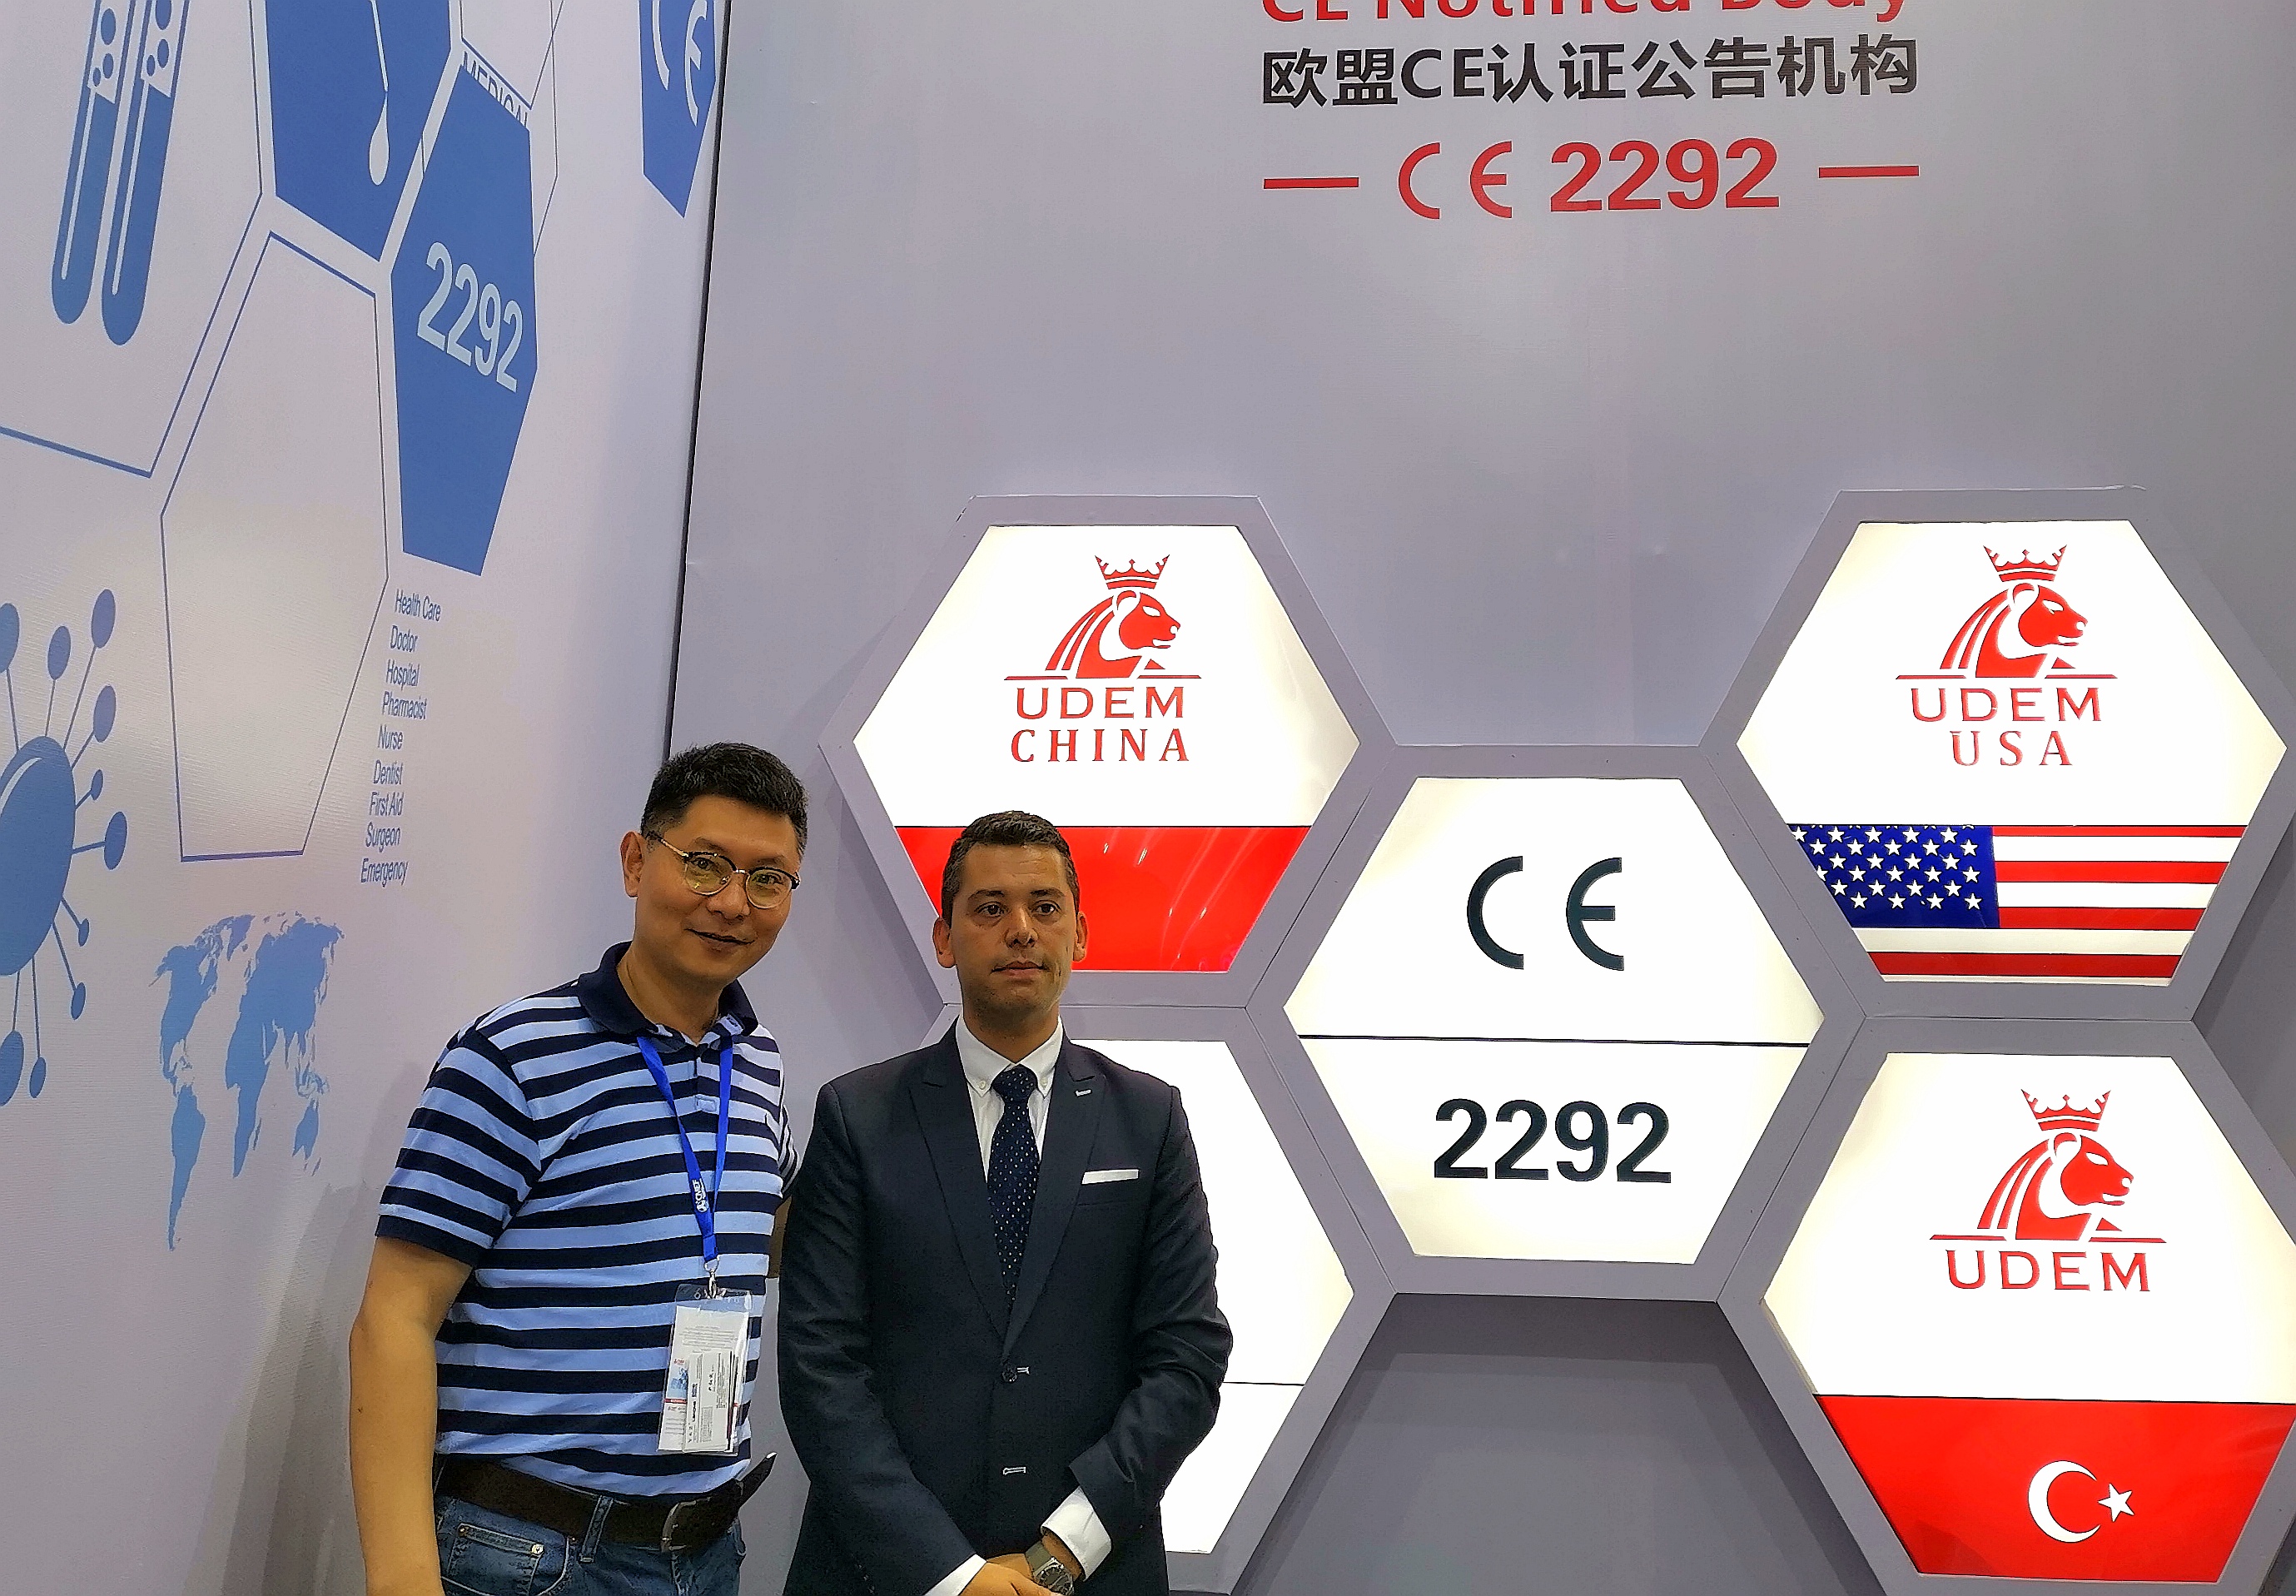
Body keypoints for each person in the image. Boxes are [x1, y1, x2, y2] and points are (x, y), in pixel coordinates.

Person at [349, 743, 807, 1596]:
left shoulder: (758, 1059)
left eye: (767, 879)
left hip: (705, 1551)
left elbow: (756, 1236)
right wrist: (402, 1576)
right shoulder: (512, 1055)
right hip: (532, 1553)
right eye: (704, 864)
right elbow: (395, 1316)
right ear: (636, 861)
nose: (731, 903)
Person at [778, 810, 1232, 1596]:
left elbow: (1186, 1355)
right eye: (989, 907)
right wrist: (951, 1575)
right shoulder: (859, 1115)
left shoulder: (1149, 1117)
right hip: (884, 1573)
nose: (1020, 929)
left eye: (1044, 906)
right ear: (945, 937)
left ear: (1079, 934)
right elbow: (821, 1366)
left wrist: (1062, 1551)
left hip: (1089, 1570)